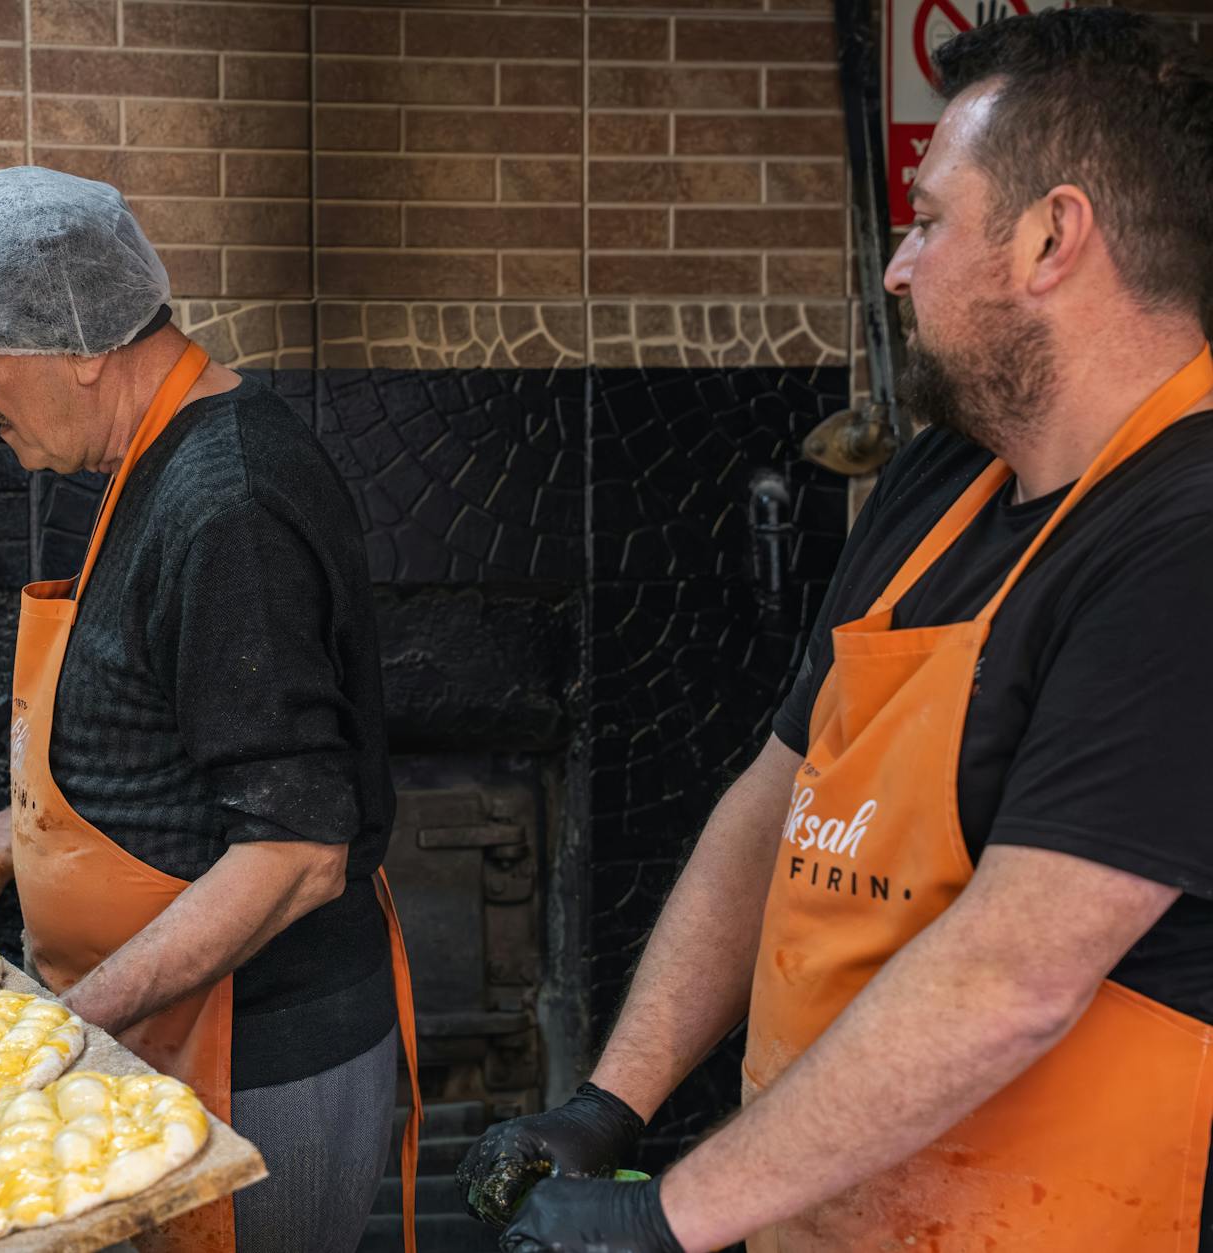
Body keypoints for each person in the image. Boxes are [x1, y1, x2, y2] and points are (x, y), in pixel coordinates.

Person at [456, 10, 1213, 1251]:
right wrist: (612, 1100)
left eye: (925, 221)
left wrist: (668, 1217)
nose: (896, 268)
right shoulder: (939, 481)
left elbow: (1014, 974)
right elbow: (778, 800)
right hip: (815, 1213)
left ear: (1049, 239)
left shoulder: (1180, 540)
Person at [0, 166, 420, 1253]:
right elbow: (174, 742)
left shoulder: (227, 502)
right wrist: (4, 844)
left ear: (81, 343)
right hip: (168, 1041)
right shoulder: (151, 456)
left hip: (254, 1063)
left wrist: (56, 1035)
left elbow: (294, 850)